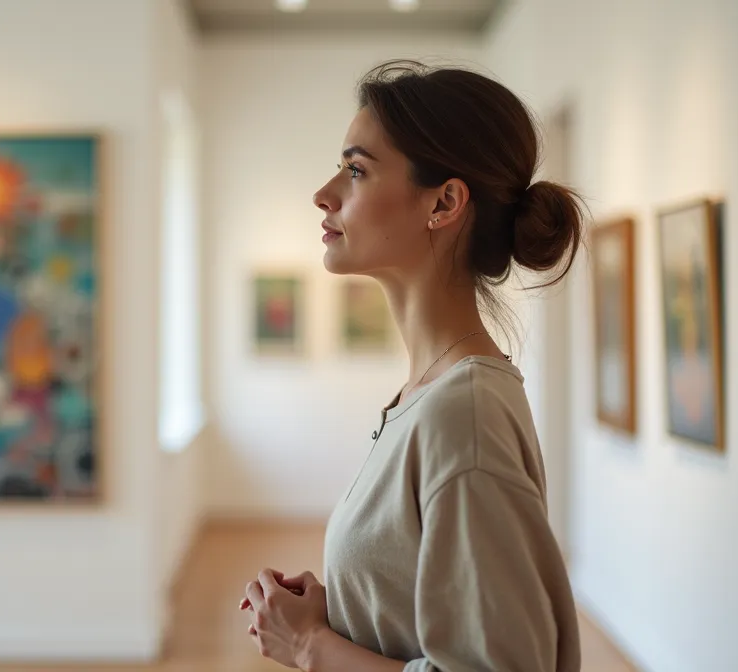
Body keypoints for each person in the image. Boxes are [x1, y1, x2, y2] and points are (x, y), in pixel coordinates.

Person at [239, 60, 584, 672]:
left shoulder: (464, 413)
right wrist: (347, 611)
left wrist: (310, 646)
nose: (325, 193)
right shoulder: (431, 395)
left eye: (356, 170)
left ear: (445, 202)